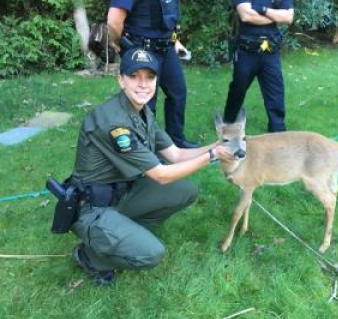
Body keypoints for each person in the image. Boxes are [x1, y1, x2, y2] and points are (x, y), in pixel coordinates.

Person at [69, 48, 233, 284]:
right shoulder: (115, 123)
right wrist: (212, 155)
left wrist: (217, 145)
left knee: (186, 190)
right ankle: (90, 256)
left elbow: (175, 155)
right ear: (121, 80)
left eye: (150, 77)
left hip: (122, 193)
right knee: (151, 253)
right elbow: (161, 175)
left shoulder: (142, 112)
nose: (143, 84)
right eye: (134, 76)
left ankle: (122, 233)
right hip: (92, 208)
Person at [107, 0, 198, 148]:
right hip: (141, 48)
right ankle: (147, 148)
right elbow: (113, 21)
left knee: (178, 93)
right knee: (145, 101)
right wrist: (119, 44)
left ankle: (176, 142)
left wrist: (175, 42)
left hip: (166, 49)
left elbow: (168, 18)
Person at [223, 0, 294, 132]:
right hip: (246, 51)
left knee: (275, 92)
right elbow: (246, 16)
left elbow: (288, 17)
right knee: (238, 88)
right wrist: (275, 17)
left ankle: (277, 129)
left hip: (271, 52)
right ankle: (228, 121)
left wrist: (262, 9)